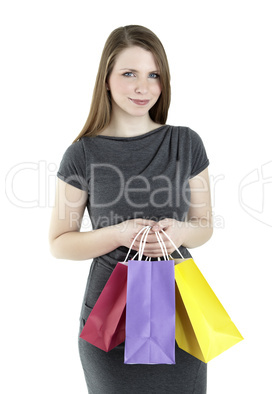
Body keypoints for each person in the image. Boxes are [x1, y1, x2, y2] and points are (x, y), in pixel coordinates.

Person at [49, 25, 213, 394]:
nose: (144, 87)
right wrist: (118, 234)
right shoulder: (83, 154)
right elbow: (59, 242)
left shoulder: (185, 143)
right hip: (109, 321)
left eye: (154, 75)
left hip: (179, 315)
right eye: (129, 74)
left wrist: (181, 233)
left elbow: (204, 225)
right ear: (106, 79)